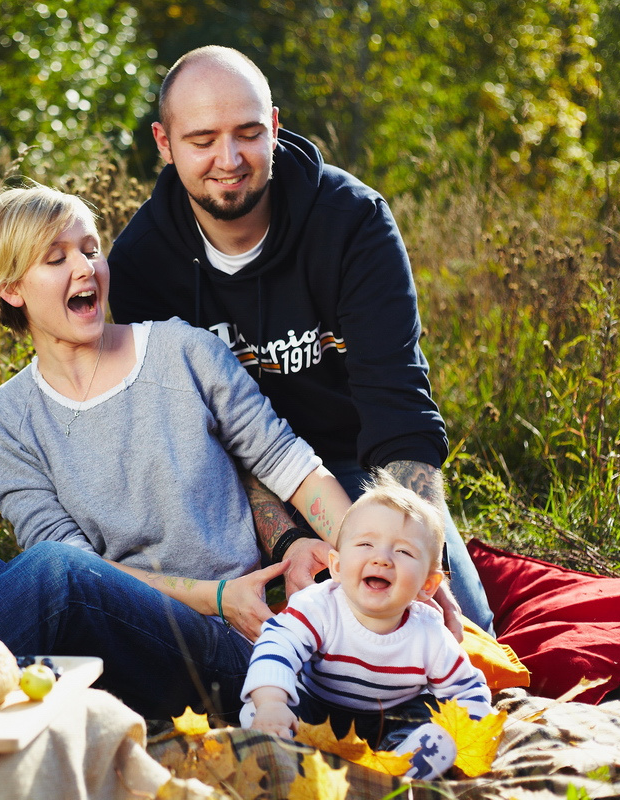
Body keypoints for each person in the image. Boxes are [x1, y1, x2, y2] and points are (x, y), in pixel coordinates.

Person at [0, 184, 355, 720]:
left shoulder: (185, 352)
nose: (85, 267)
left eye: (90, 248)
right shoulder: (7, 415)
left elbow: (290, 465)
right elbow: (76, 564)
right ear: (12, 289)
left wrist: (370, 550)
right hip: (128, 617)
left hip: (226, 642)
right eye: (56, 258)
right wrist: (213, 592)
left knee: (55, 572)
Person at [106, 45, 494, 636]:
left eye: (248, 132)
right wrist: (284, 537)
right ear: (163, 142)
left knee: (460, 633)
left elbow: (399, 411)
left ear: (276, 126)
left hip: (358, 470)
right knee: (292, 656)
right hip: (230, 492)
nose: (229, 159)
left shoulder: (352, 221)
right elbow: (190, 439)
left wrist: (412, 548)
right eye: (202, 139)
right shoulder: (140, 265)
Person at [239, 470, 493, 780]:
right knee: (266, 707)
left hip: (391, 718)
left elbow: (468, 691)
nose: (382, 559)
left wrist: (469, 729)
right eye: (365, 545)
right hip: (318, 710)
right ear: (336, 566)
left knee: (427, 720)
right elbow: (277, 644)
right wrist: (271, 701)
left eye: (403, 551)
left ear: (428, 585)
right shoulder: (319, 606)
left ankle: (397, 768)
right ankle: (281, 743)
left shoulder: (430, 635)